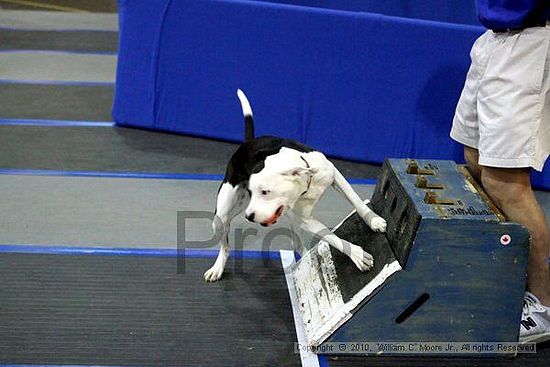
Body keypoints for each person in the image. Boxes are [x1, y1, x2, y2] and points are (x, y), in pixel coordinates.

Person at [450, 0, 550, 344]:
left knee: (506, 181)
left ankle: (544, 305)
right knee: (475, 156)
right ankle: (505, 272)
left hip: (531, 41)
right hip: (495, 38)